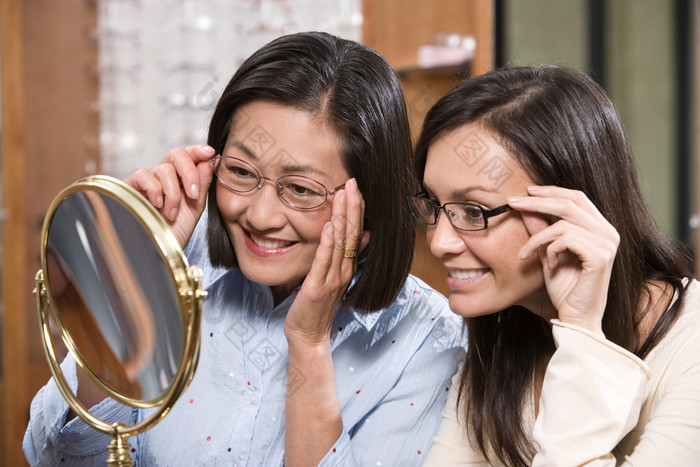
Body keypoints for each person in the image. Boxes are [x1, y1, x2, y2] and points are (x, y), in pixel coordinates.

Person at [24, 31, 465, 466]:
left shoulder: (428, 340)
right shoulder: (184, 265)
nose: (259, 215)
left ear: (369, 203)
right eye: (240, 171)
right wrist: (137, 275)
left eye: (300, 188)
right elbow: (55, 456)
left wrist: (309, 344)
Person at [407, 66, 700, 466]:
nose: (440, 242)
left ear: (569, 214)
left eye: (474, 212)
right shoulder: (504, 333)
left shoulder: (690, 347)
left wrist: (582, 331)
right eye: (434, 205)